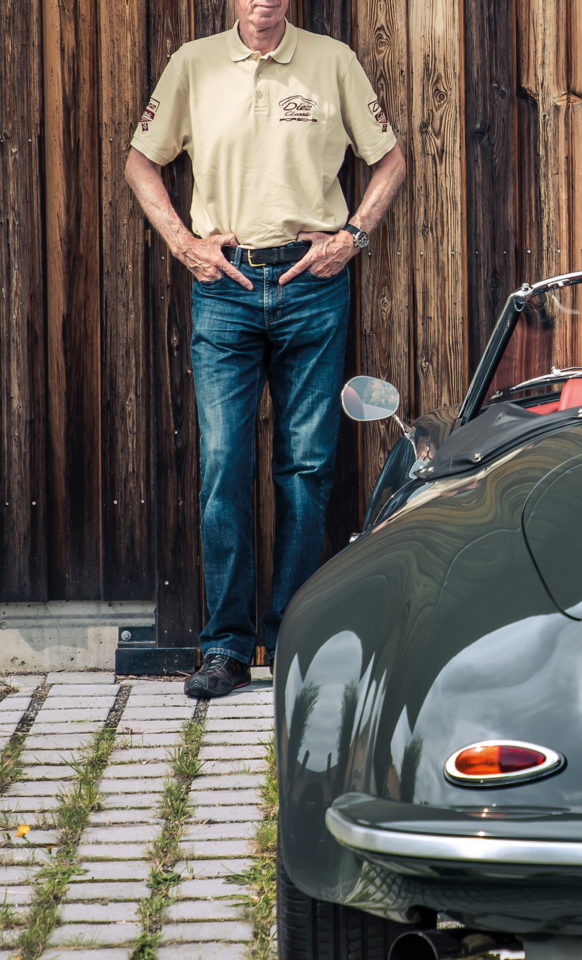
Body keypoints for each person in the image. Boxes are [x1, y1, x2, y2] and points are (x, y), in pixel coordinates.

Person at [125, 0, 406, 698]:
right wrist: (184, 244)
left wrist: (353, 237)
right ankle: (224, 647)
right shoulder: (193, 65)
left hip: (310, 285)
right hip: (224, 287)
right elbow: (140, 163)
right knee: (224, 465)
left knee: (307, 468)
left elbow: (390, 160)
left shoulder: (332, 61)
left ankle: (291, 644)